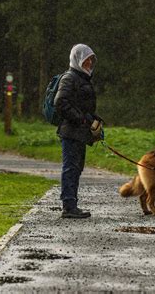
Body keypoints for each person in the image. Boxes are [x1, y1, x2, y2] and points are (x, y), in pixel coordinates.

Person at [54, 44, 101, 218]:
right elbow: (60, 103)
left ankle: (72, 203)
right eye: (86, 59)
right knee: (71, 168)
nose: (89, 62)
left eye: (91, 59)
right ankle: (68, 206)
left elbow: (83, 105)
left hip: (80, 132)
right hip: (71, 131)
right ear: (78, 59)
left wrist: (94, 120)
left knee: (77, 167)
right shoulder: (69, 78)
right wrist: (80, 119)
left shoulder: (83, 78)